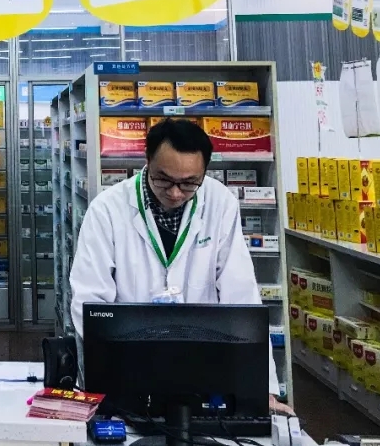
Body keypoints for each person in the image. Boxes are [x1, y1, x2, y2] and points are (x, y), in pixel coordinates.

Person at [69, 118, 294, 415]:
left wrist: (261, 390)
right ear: (147, 160)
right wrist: (118, 361)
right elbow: (89, 301)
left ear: (204, 172)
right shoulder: (107, 209)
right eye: (163, 179)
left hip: (203, 367)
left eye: (189, 183)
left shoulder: (220, 204)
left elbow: (242, 296)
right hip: (126, 370)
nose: (175, 193)